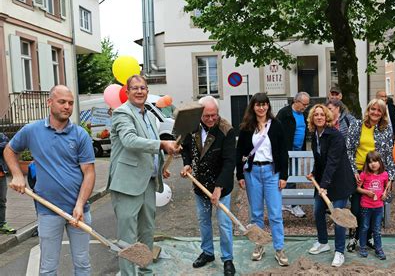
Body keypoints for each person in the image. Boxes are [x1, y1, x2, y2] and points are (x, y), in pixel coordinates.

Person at [4, 85, 96, 275]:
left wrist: (80, 204)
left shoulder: (80, 135)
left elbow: (89, 173)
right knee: (48, 268)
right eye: (62, 102)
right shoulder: (32, 130)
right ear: (50, 102)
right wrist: (17, 174)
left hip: (78, 211)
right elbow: (9, 150)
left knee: (83, 265)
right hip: (48, 210)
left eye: (70, 103)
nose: (67, 107)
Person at [108, 75, 178, 275]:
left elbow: (148, 147)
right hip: (127, 184)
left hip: (148, 182)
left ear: (147, 91)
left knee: (147, 231)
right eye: (135, 88)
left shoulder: (147, 114)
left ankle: (145, 271)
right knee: (127, 238)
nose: (139, 92)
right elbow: (130, 140)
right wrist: (163, 144)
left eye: (143, 88)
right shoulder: (122, 113)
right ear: (127, 92)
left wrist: (159, 166)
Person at [180, 96, 236, 275]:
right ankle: (208, 252)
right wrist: (187, 163)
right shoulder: (191, 127)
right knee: (204, 221)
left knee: (224, 224)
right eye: (207, 116)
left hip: (221, 186)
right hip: (200, 184)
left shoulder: (226, 130)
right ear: (199, 114)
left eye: (214, 115)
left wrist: (219, 187)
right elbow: (186, 149)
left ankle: (227, 258)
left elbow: (229, 162)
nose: (211, 119)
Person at [236, 92, 289, 266]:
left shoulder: (276, 125)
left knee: (275, 213)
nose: (261, 108)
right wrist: (240, 175)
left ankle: (279, 248)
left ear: (268, 106)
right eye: (258, 105)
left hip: (272, 172)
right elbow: (240, 152)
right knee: (256, 213)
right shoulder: (246, 127)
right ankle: (259, 245)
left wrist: (283, 175)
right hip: (253, 173)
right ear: (253, 107)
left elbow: (283, 151)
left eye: (264, 104)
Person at [305, 104, 356, 267]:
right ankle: (323, 242)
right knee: (318, 210)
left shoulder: (335, 136)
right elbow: (320, 159)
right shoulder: (315, 135)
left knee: (338, 216)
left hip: (340, 181)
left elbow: (333, 162)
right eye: (316, 115)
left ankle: (339, 252)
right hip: (323, 181)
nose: (319, 117)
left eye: (322, 114)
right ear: (312, 118)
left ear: (326, 117)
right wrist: (314, 172)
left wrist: (324, 185)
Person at [346, 98, 395, 252]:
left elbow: (389, 153)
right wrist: (354, 170)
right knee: (356, 206)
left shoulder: (386, 129)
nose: (375, 112)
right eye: (372, 109)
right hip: (359, 172)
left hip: (377, 173)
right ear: (368, 110)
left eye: (379, 110)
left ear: (383, 114)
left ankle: (367, 238)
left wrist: (390, 177)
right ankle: (353, 237)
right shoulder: (356, 125)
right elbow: (349, 150)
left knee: (374, 206)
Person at [276, 91, 310, 218]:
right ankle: (283, 202)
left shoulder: (305, 115)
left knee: (294, 175)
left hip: (298, 150)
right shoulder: (284, 113)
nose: (305, 107)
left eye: (307, 105)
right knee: (284, 176)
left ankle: (292, 203)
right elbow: (276, 130)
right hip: (285, 150)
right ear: (296, 101)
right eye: (304, 104)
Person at [357, 151, 389, 260]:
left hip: (378, 206)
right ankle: (362, 247)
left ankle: (378, 248)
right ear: (367, 164)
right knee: (364, 227)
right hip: (366, 206)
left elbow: (386, 189)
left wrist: (385, 195)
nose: (373, 164)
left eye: (375, 161)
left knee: (377, 229)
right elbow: (358, 188)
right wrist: (366, 192)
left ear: (380, 162)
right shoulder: (364, 174)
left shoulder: (384, 174)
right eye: (370, 162)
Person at [0, 133, 16, 234]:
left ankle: (2, 224)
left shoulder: (1, 135)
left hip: (1, 175)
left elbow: (8, 145)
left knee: (2, 200)